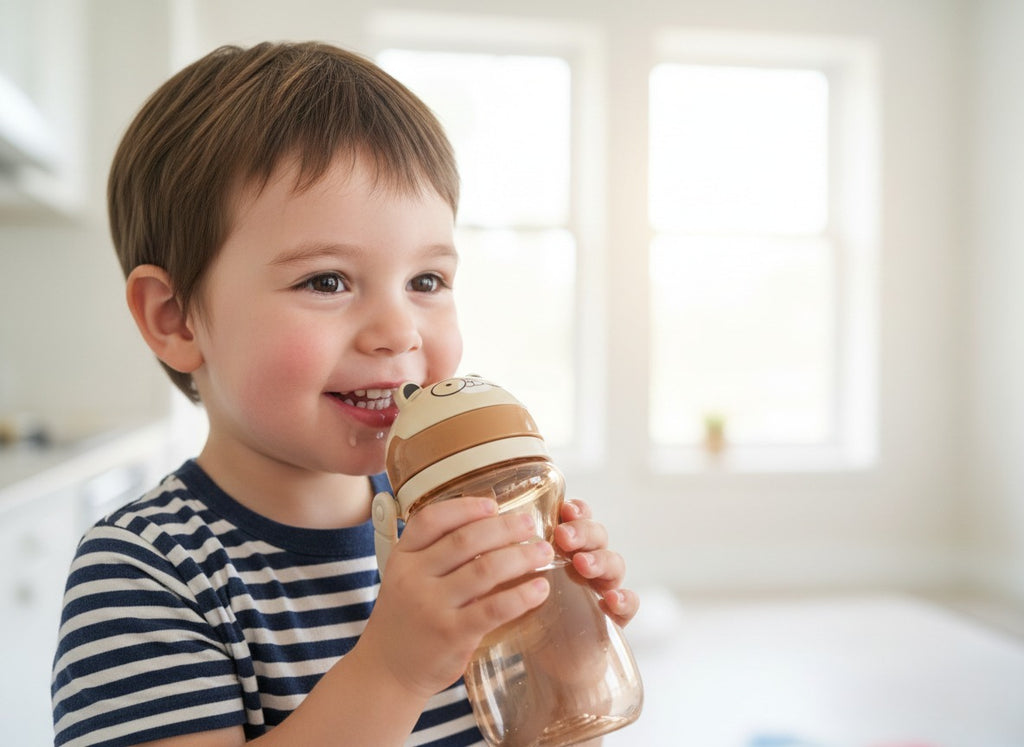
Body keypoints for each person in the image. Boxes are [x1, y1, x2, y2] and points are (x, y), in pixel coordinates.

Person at [50, 41, 638, 747]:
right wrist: (393, 671)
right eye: (326, 280)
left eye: (427, 281)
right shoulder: (146, 573)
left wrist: (563, 658)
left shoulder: (452, 533)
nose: (399, 331)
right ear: (174, 318)